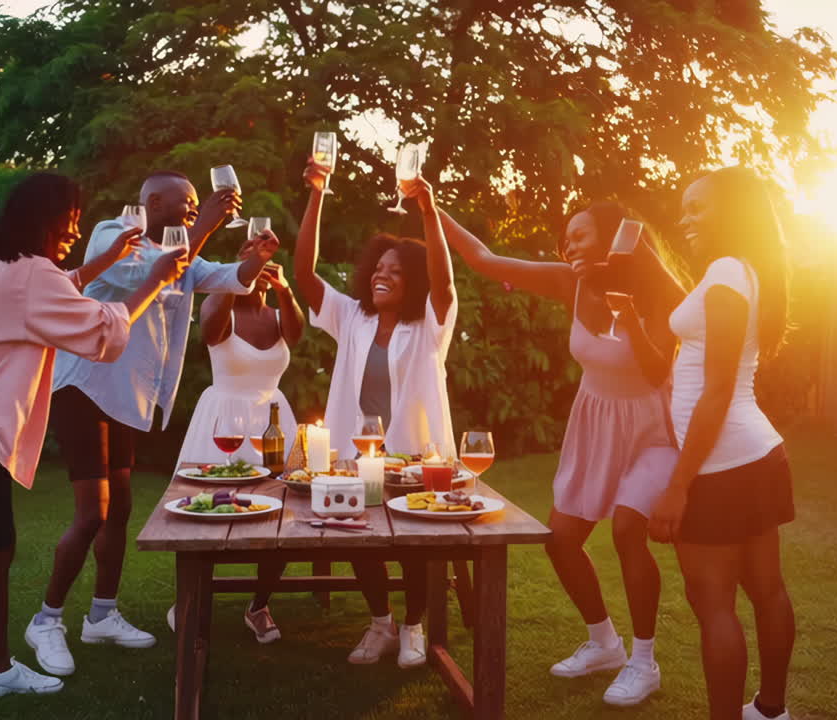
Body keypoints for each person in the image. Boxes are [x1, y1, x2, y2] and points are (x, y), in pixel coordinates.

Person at [0, 172, 186, 720]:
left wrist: (104, 261)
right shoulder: (29, 277)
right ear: (46, 219)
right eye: (71, 216)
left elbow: (66, 285)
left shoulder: (14, 269)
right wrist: (156, 280)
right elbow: (104, 332)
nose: (76, 226)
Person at [25, 170, 279, 677]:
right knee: (92, 512)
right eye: (185, 203)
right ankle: (46, 620)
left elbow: (224, 276)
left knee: (119, 509)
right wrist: (205, 224)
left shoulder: (180, 251)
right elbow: (148, 270)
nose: (192, 208)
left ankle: (102, 613)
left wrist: (256, 258)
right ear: (153, 201)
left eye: (195, 204)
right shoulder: (112, 233)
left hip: (128, 397)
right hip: (85, 388)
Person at [440, 201, 686, 705]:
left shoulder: (663, 292)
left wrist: (631, 316)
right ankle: (604, 644)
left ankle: (644, 661)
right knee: (561, 539)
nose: (570, 246)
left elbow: (659, 373)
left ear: (616, 238)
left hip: (651, 430)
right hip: (595, 424)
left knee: (625, 529)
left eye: (580, 236)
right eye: (567, 239)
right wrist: (429, 205)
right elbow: (485, 259)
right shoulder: (570, 284)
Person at [295, 158, 456, 669]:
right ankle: (381, 622)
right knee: (357, 531)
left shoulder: (430, 325)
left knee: (413, 543)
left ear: (412, 283)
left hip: (414, 457)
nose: (383, 277)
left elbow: (445, 285)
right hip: (356, 456)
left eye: (397, 272)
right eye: (379, 269)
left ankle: (413, 627)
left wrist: (427, 210)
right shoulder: (353, 316)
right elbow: (304, 274)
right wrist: (318, 194)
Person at [650, 166, 797, 720]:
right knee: (766, 590)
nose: (685, 218)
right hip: (755, 454)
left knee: (714, 604)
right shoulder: (740, 272)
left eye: (698, 208)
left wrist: (677, 486)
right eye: (684, 207)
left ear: (732, 212)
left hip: (722, 462)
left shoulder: (729, 272)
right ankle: (771, 710)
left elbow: (716, 392)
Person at [171, 232, 305, 643]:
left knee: (282, 517)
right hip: (224, 422)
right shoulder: (221, 304)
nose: (259, 267)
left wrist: (284, 288)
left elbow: (297, 334)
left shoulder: (276, 314)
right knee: (206, 514)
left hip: (274, 423)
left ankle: (259, 604)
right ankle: (190, 597)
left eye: (265, 259)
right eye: (251, 258)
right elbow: (209, 332)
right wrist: (236, 277)